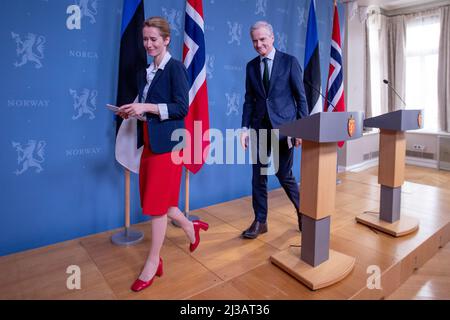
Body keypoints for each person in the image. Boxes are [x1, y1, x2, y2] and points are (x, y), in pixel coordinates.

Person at [117, 17, 209, 292]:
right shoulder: (147, 71)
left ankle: (153, 262)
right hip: (151, 144)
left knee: (157, 206)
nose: (148, 44)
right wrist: (134, 112)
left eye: (154, 39)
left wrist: (146, 106)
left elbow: (181, 108)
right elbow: (154, 112)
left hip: (169, 149)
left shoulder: (176, 69)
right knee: (160, 201)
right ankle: (191, 227)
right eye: (145, 39)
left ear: (167, 40)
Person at [240, 21, 308, 239]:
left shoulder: (289, 62)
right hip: (259, 128)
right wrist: (244, 128)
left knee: (284, 174)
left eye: (262, 39)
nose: (259, 44)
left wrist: (301, 130)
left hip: (285, 128)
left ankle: (304, 213)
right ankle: (260, 221)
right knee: (258, 176)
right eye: (254, 41)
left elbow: (301, 98)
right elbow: (249, 100)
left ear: (272, 38)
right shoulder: (251, 66)